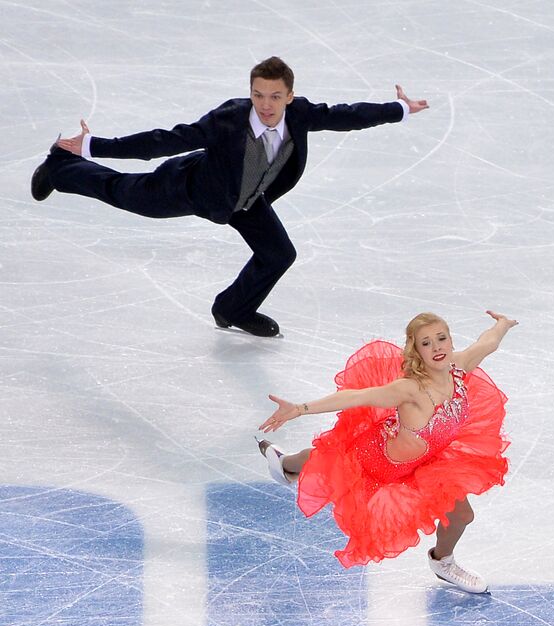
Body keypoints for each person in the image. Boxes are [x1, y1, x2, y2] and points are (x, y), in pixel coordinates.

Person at [30, 56, 428, 337]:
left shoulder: (301, 113)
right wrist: (93, 146)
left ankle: (231, 309)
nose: (266, 105)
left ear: (290, 95)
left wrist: (399, 109)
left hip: (247, 200)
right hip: (194, 188)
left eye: (274, 96)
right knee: (122, 192)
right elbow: (167, 140)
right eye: (258, 95)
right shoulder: (229, 119)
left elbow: (348, 115)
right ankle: (61, 168)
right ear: (250, 93)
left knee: (279, 254)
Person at [258, 311, 517, 593]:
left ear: (451, 340)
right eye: (426, 343)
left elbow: (488, 343)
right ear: (417, 351)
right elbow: (357, 397)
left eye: (441, 338)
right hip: (378, 460)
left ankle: (443, 562)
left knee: (462, 516)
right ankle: (286, 464)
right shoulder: (409, 389)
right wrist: (299, 409)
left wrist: (502, 324)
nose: (437, 347)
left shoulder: (459, 367)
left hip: (427, 466)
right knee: (329, 458)